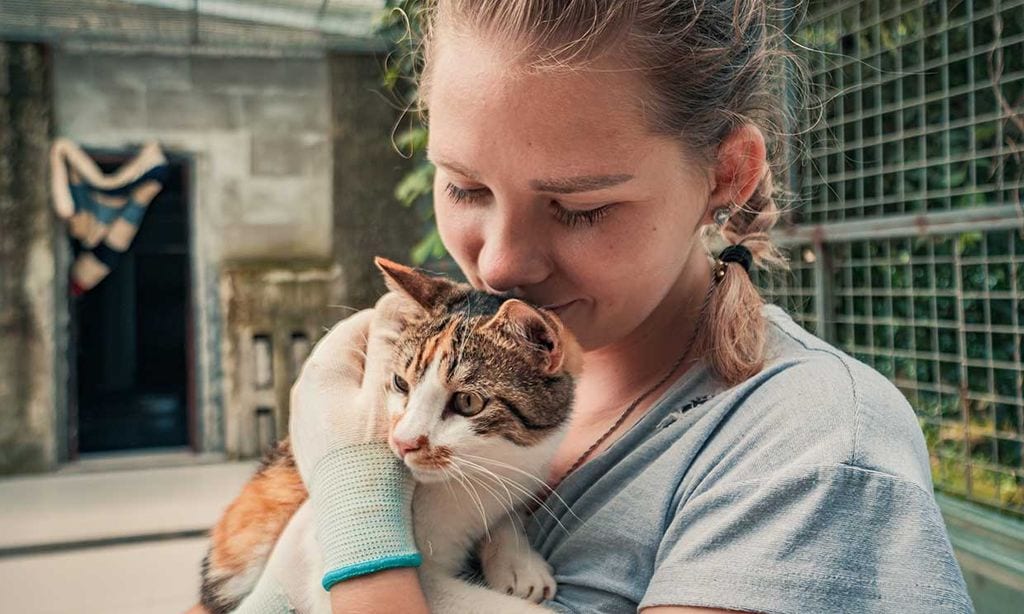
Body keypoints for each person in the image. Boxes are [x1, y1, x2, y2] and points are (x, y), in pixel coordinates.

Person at [255, 1, 975, 613]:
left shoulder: (809, 455)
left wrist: (360, 524)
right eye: (465, 187)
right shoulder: (439, 355)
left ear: (727, 174)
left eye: (578, 207)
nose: (501, 263)